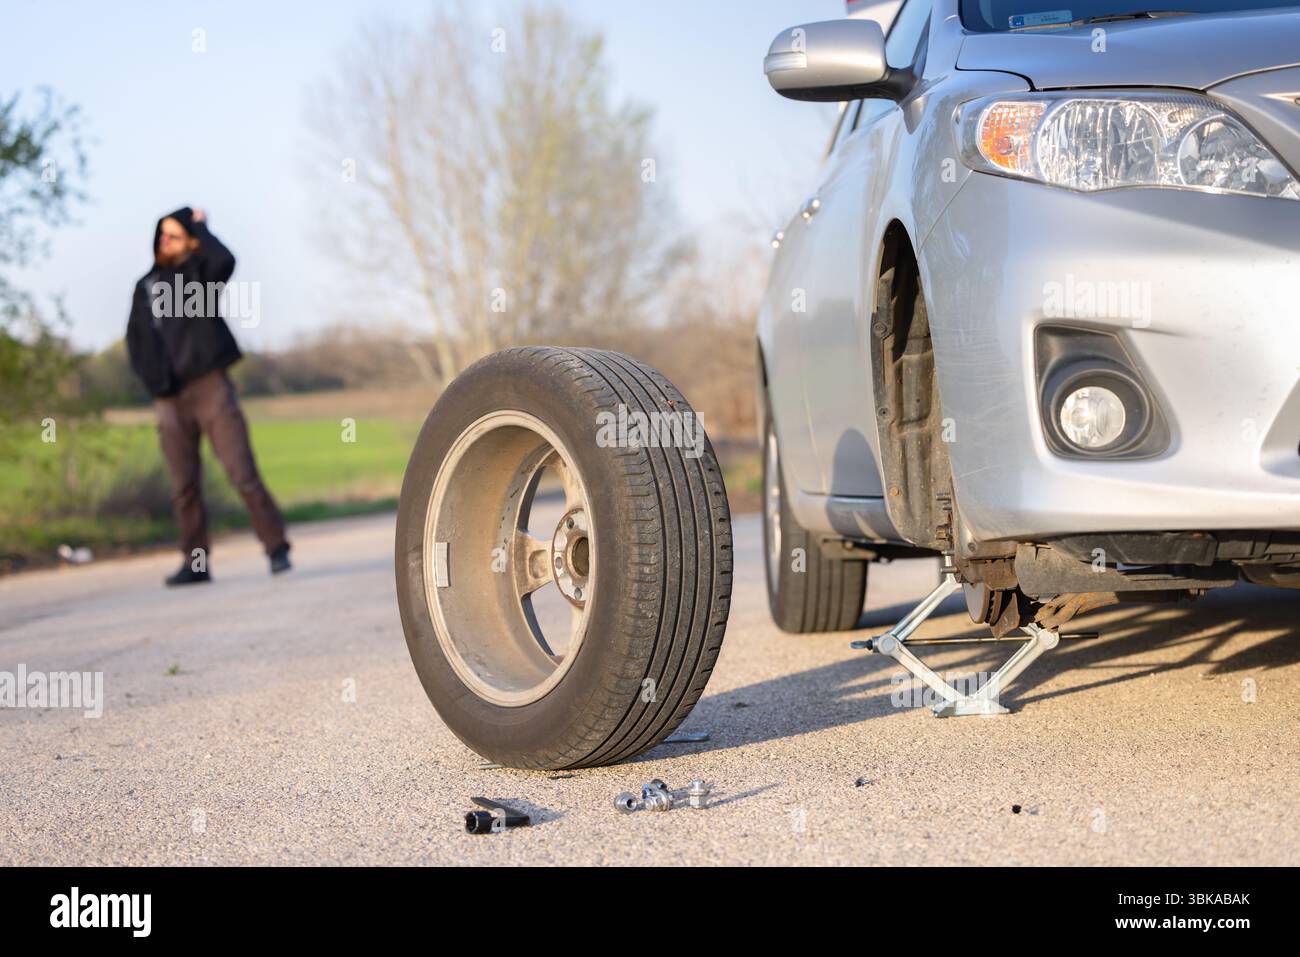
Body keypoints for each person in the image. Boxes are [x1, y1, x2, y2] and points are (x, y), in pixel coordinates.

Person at [125, 206, 290, 586]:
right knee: (184, 487)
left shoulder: (202, 275)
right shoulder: (146, 286)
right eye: (161, 235)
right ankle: (195, 564)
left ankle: (276, 548)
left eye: (174, 235)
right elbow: (135, 341)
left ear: (191, 241)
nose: (164, 242)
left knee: (242, 473)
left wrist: (198, 224)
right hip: (168, 397)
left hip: (210, 388)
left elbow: (224, 258)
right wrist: (155, 385)